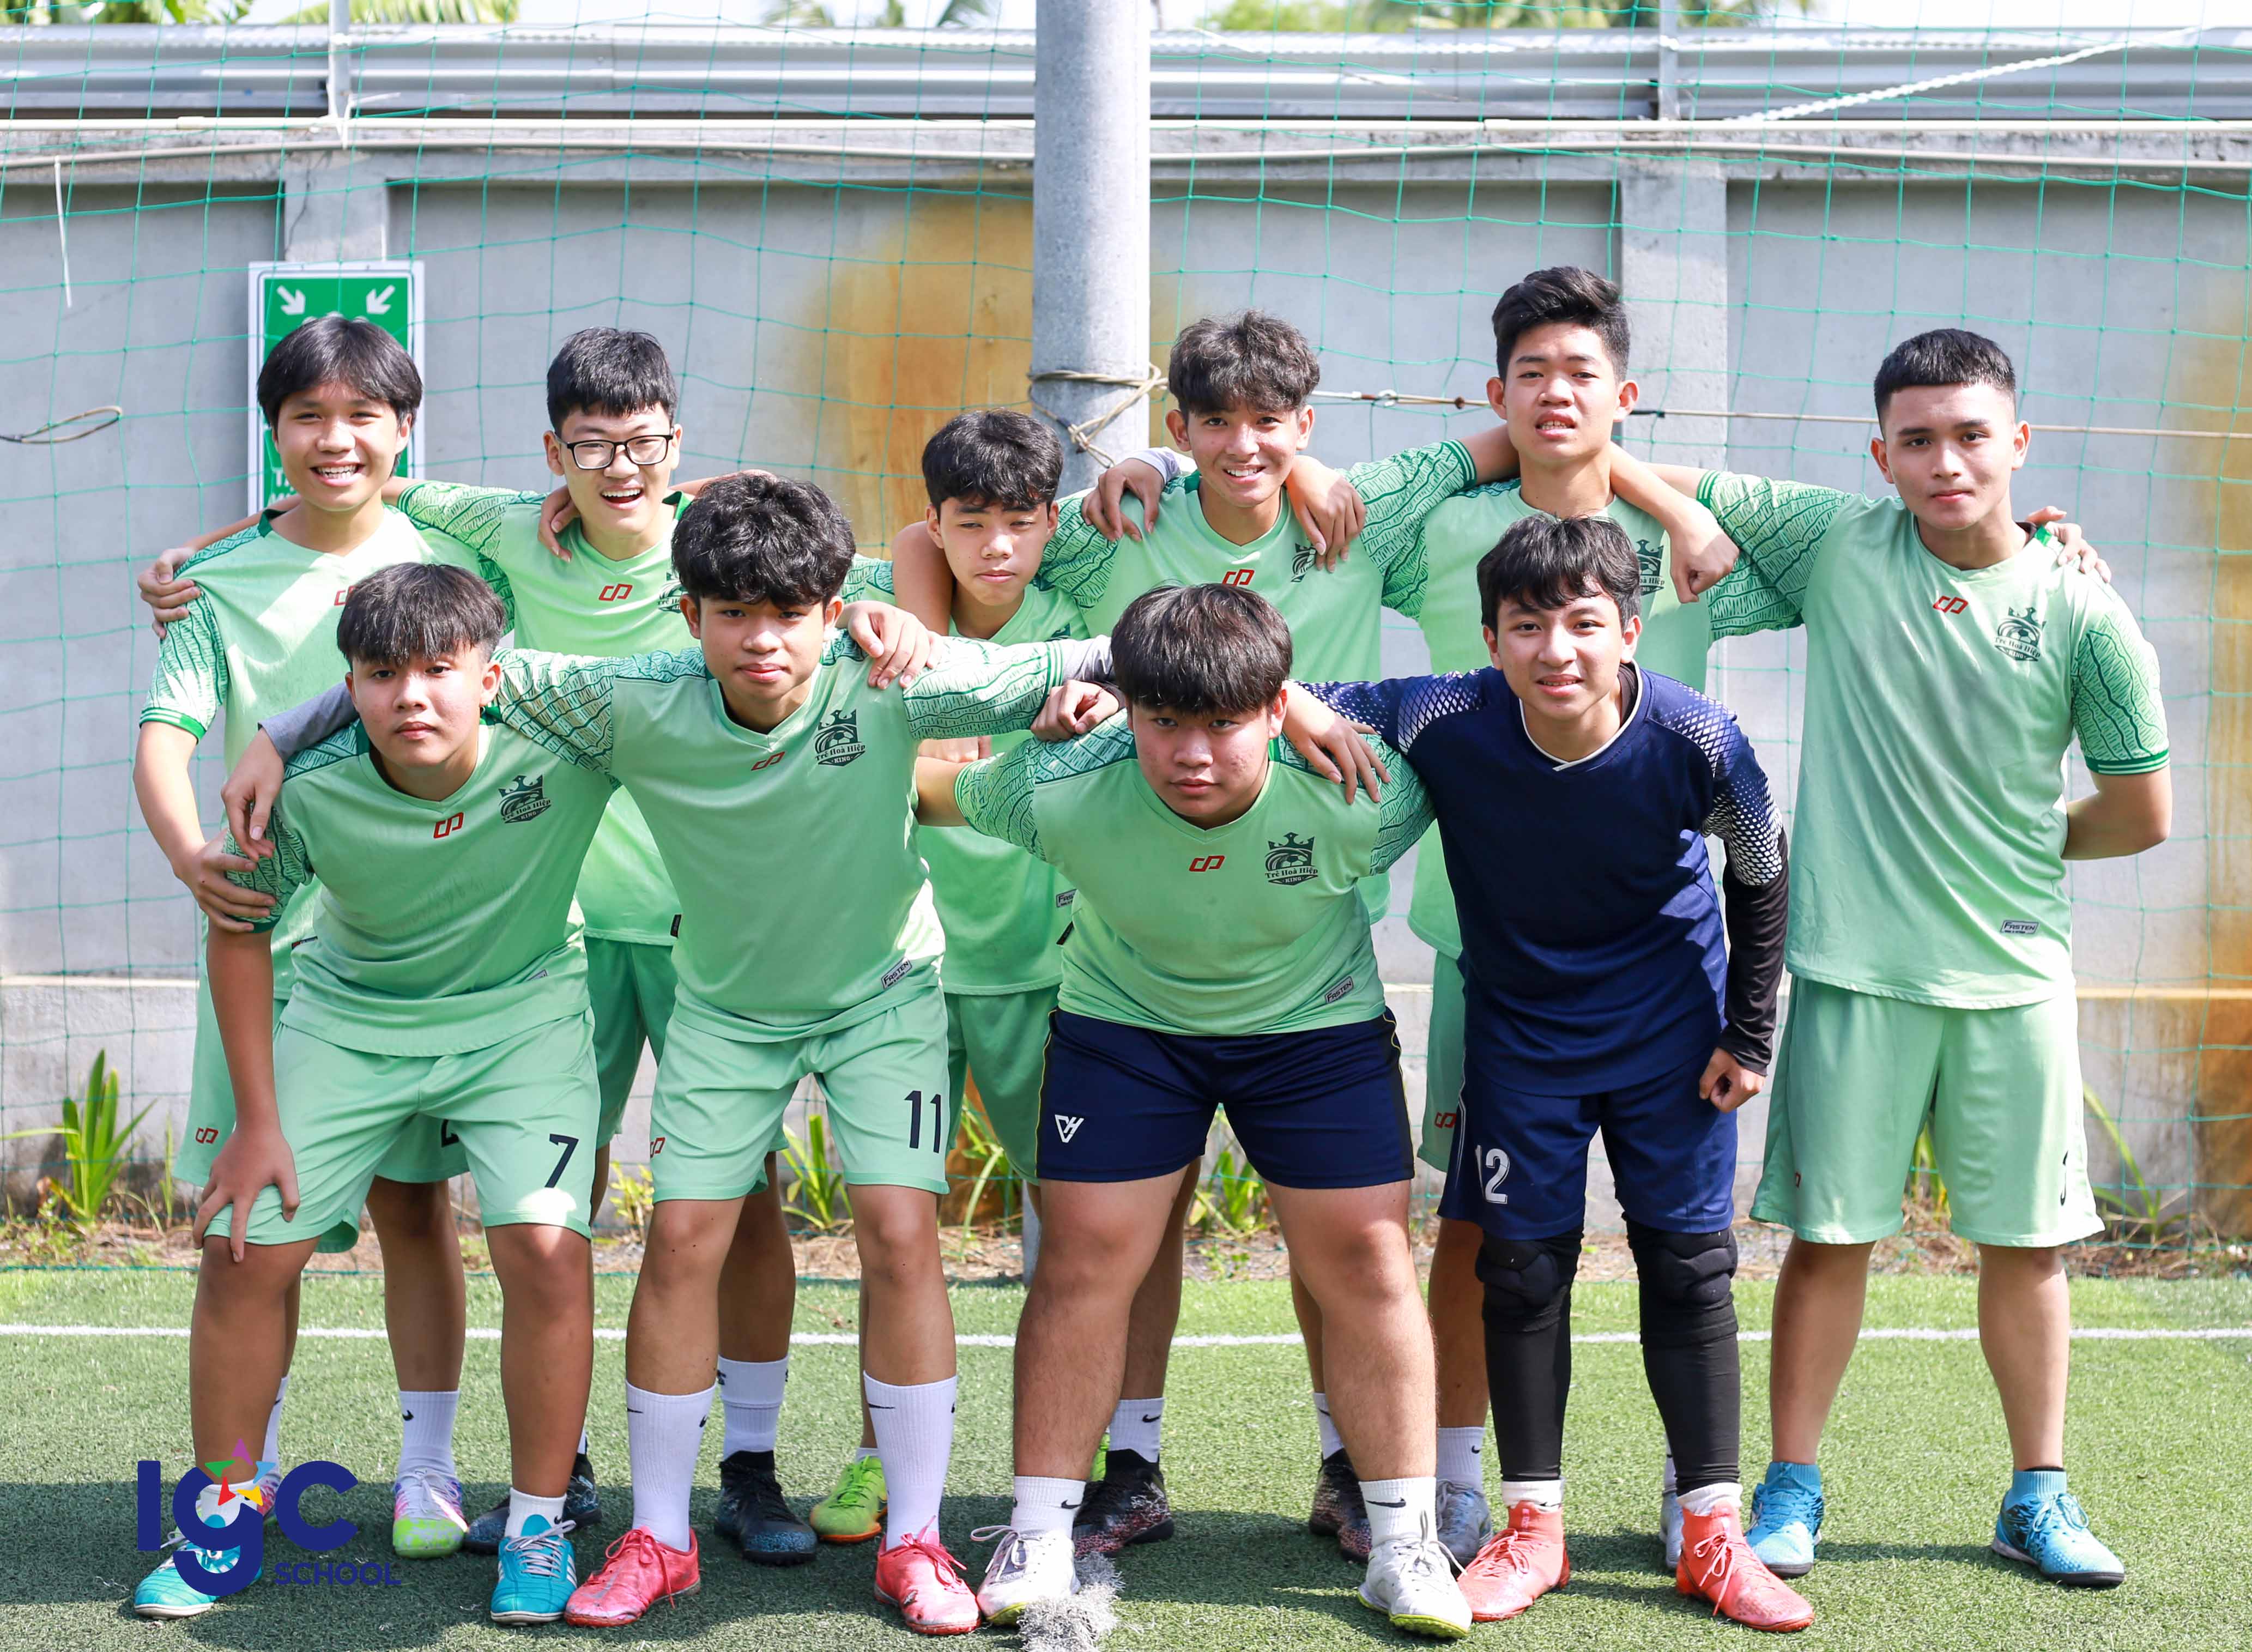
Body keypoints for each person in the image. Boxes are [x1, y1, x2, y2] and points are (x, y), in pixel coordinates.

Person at [888, 309, 1524, 1560]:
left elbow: (1517, 435)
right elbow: (940, 532)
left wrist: (1310, 476)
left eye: (1270, 424)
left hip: (1301, 913)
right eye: (1212, 425)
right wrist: (942, 671)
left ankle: (1353, 1470)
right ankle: (1125, 1468)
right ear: (1174, 426)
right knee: (1125, 1233)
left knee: (1335, 1237)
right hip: (1137, 917)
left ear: (1308, 421)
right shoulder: (1120, 519)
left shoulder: (1364, 507)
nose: (1242, 447)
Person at [1638, 329, 2170, 1588]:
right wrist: (1685, 516)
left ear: (2017, 443)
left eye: (1971, 436)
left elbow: (2139, 811)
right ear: (1878, 456)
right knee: (1828, 1240)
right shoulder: (1833, 542)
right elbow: (1628, 463)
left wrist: (2020, 840)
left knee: (2025, 1249)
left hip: (2012, 977)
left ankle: (2035, 1496)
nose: (1945, 462)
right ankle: (1789, 1489)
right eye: (1916, 441)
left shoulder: (2083, 608)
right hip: (1852, 972)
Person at [922, 582, 1468, 1638]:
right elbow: (925, 790)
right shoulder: (1060, 784)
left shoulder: (1364, 788)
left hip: (1312, 1033)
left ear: (1275, 708)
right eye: (1165, 721)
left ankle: (1405, 1544)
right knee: (1082, 1259)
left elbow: (1480, 715)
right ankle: (1039, 1530)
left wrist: (1320, 704)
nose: (1192, 754)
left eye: (1224, 722)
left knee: (1368, 1260)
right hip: (1126, 1032)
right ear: (1127, 709)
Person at [1301, 515, 1813, 1632]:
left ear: (1629, 630)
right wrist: (1292, 704)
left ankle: (1711, 1537)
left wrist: (1748, 1033)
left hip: (1670, 1039)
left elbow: (1761, 869)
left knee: (1690, 1269)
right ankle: (1533, 1531)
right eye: (1526, 627)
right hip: (1524, 1038)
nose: (1556, 649)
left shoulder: (1697, 735)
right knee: (1522, 1272)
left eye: (1583, 623)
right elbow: (1273, 683)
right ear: (1490, 640)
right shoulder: (1444, 713)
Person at [163, 563, 615, 1626]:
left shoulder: (567, 739)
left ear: (490, 677)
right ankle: (220, 1521)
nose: (411, 695)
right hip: (351, 1016)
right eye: (381, 674)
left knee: (547, 1248)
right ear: (351, 687)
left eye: (438, 670)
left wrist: (878, 615)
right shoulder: (304, 787)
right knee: (242, 1247)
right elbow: (239, 930)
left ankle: (539, 1526)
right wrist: (257, 1122)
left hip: (522, 1014)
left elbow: (711, 676)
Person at [129, 318, 479, 1611]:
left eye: (362, 415)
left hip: (415, 953)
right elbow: (164, 736)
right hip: (263, 958)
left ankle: (429, 1470)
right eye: (307, 418)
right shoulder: (216, 583)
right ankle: (235, 1492)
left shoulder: (456, 551)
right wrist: (190, 853)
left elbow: (636, 499)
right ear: (273, 431)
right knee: (247, 1235)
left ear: (405, 429)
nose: (336, 440)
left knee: (415, 1214)